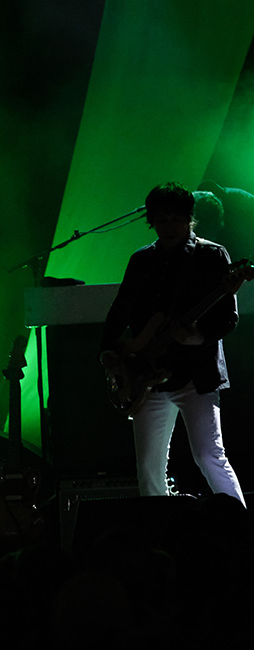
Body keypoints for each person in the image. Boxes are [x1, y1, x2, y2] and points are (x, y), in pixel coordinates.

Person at [100, 181, 246, 506]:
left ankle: (240, 525)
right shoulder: (141, 261)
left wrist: (195, 336)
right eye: (161, 219)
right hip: (146, 376)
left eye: (176, 219)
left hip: (197, 375)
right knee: (148, 468)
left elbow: (227, 318)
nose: (169, 226)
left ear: (190, 219)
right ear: (151, 221)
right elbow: (119, 310)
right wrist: (110, 352)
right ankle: (160, 535)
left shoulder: (211, 255)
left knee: (210, 456)